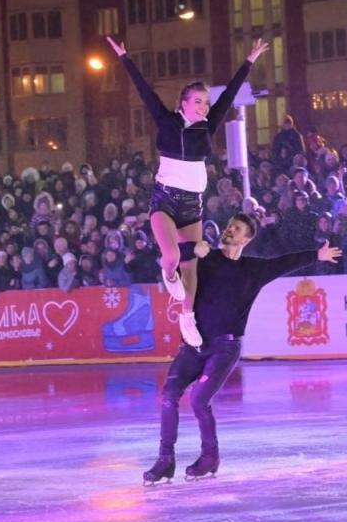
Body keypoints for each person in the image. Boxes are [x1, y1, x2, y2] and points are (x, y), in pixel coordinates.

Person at [143, 213, 342, 484]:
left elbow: (283, 263)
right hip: (193, 343)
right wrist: (191, 248)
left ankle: (210, 457)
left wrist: (316, 256)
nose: (229, 230)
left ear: (246, 239)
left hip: (225, 347)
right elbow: (170, 259)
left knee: (200, 400)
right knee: (169, 395)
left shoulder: (252, 270)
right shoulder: (205, 259)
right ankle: (165, 460)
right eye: (229, 226)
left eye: (236, 229)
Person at [107, 35, 269, 348]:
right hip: (164, 200)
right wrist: (125, 58)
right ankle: (168, 276)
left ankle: (187, 316)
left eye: (206, 102)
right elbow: (144, 91)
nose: (205, 107)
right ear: (183, 103)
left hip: (192, 205)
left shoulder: (207, 126)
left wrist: (249, 61)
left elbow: (231, 93)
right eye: (198, 102)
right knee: (171, 255)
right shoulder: (166, 121)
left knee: (191, 265)